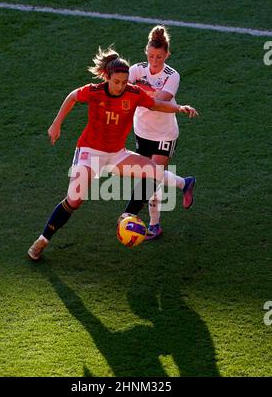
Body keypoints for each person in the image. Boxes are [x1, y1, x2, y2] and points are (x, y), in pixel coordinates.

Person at [28, 46, 198, 261]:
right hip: (90, 152)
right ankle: (42, 240)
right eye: (116, 82)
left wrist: (179, 108)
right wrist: (56, 123)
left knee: (154, 171)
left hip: (116, 154)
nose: (120, 86)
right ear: (107, 78)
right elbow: (72, 96)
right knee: (74, 200)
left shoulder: (133, 93)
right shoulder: (94, 91)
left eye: (124, 82)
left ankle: (186, 183)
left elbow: (155, 104)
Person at [127, 25, 196, 240]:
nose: (154, 61)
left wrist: (139, 91)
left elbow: (159, 102)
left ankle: (145, 221)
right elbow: (126, 93)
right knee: (152, 176)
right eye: (150, 56)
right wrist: (139, 92)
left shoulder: (172, 75)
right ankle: (184, 183)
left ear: (167, 54)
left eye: (159, 57)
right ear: (146, 52)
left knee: (151, 176)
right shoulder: (137, 70)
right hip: (141, 131)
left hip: (164, 134)